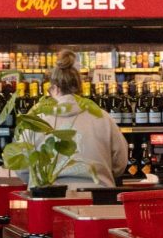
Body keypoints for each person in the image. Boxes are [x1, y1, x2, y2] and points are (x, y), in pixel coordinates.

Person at [21, 50, 126, 188]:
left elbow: (22, 169)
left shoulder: (36, 121)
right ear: (80, 87)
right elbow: (120, 163)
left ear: (55, 88)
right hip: (97, 198)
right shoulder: (103, 117)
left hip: (49, 198)